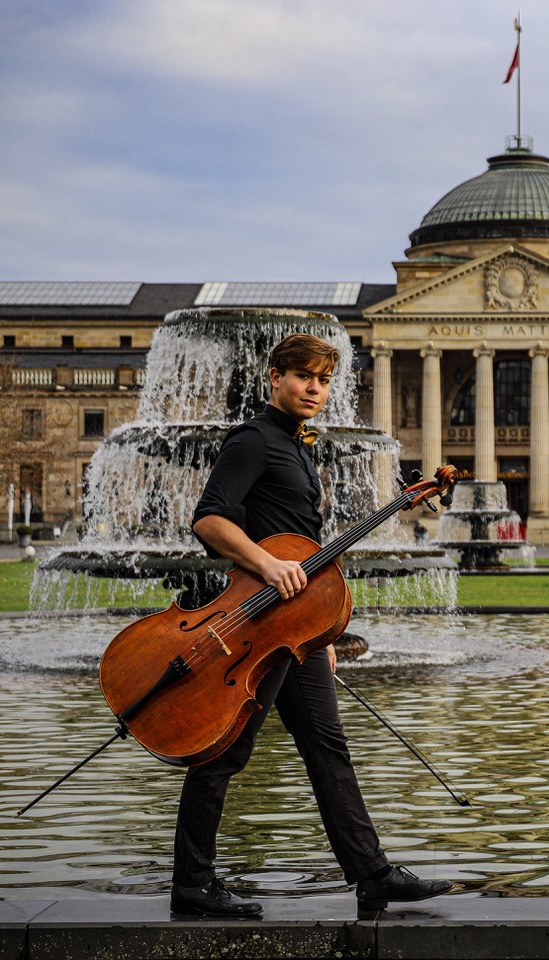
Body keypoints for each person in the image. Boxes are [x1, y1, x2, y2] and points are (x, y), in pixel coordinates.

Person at [171, 332, 451, 919]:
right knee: (226, 750)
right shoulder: (253, 440)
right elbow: (210, 520)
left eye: (324, 380)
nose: (315, 389)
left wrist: (318, 632)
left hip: (295, 632)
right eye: (304, 377)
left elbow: (302, 542)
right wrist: (269, 564)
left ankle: (371, 873)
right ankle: (193, 882)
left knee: (328, 747)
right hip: (255, 626)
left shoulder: (300, 447)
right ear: (275, 377)